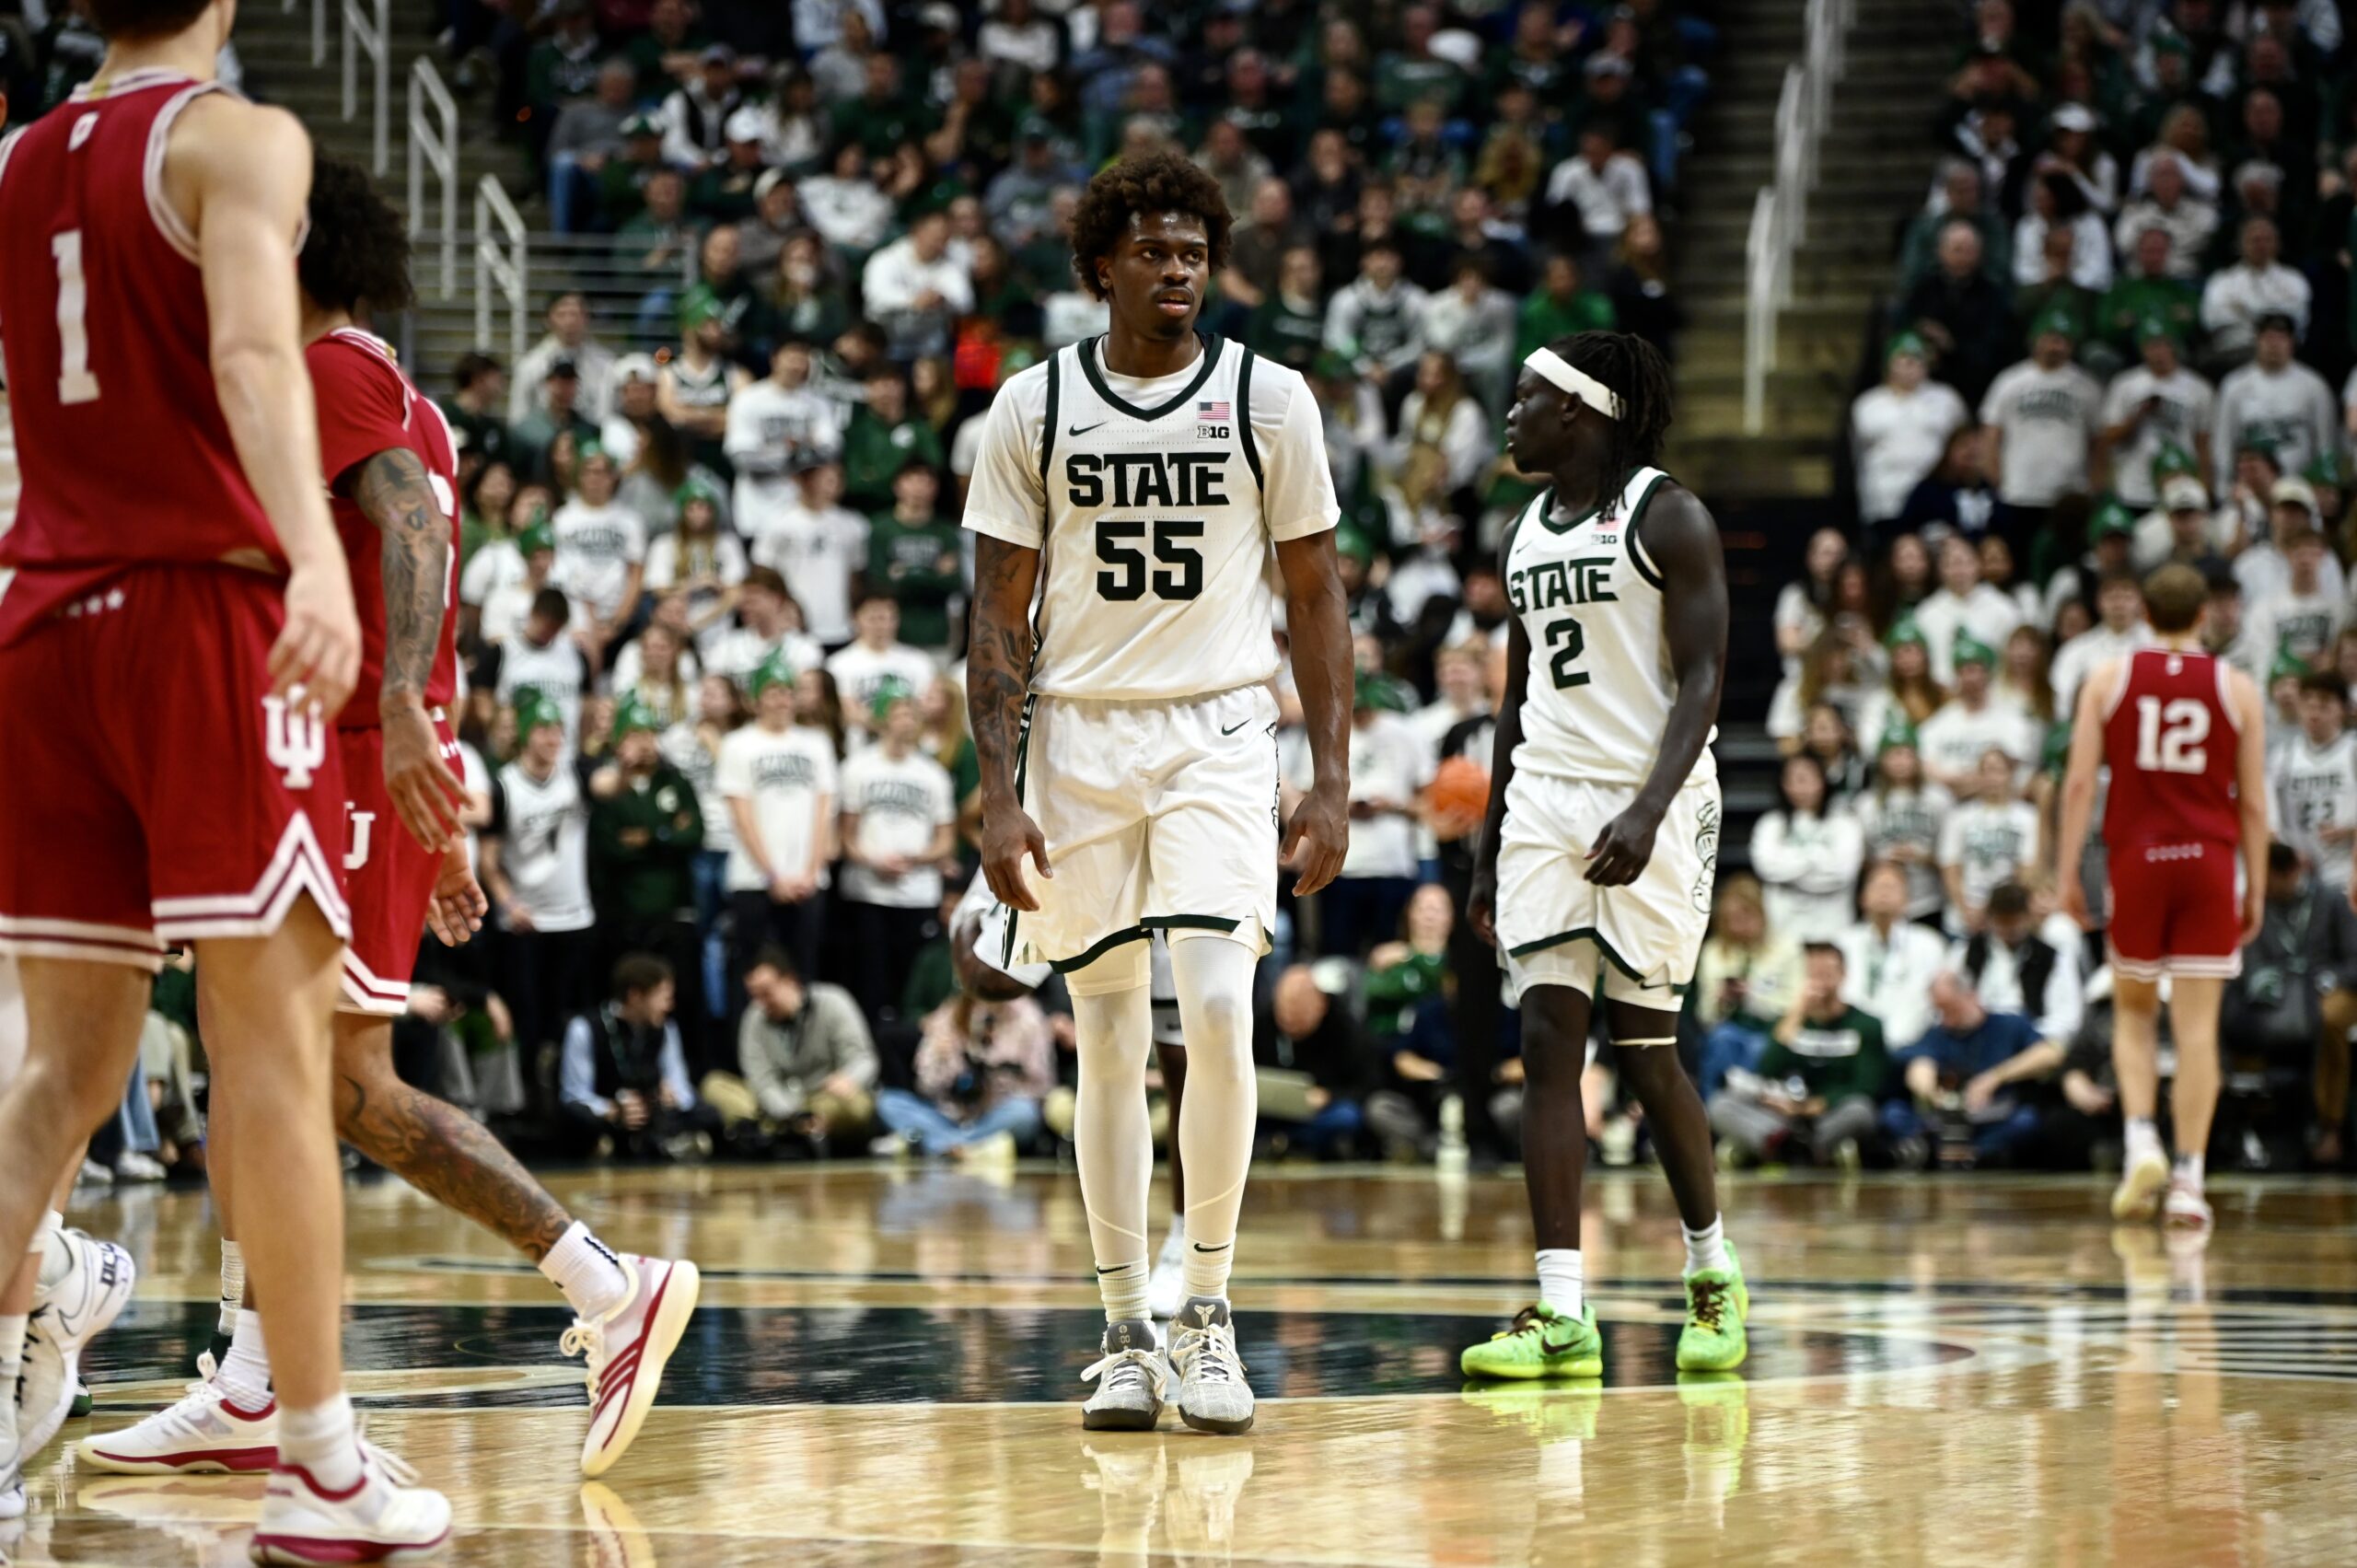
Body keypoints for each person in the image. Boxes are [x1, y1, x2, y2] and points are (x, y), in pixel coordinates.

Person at [91, 166, 698, 1484]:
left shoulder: (333, 372)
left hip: (363, 759)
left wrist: (407, 722)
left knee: (342, 1083)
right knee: (247, 1058)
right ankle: (252, 1378)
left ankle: (608, 1283)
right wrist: (441, 784)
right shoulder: (391, 386)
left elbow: (413, 530)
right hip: (357, 758)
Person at [0, 0, 458, 1548]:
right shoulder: (237, 137)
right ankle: (317, 1459)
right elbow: (260, 352)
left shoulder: (17, 163)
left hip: (42, 620)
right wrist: (315, 560)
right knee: (271, 1051)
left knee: (60, 1079)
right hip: (196, 618)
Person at [960, 152, 1352, 1435]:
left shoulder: (1269, 398)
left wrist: (1332, 779)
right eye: (1152, 252)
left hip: (1219, 729)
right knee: (1109, 1034)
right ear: (1101, 267)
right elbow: (995, 614)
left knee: (1221, 1008)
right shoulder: (1032, 407)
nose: (1177, 271)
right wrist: (997, 792)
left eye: (1193, 252)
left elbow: (1316, 596)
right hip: (1076, 736)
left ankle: (1210, 1312)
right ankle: (1126, 1327)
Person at [1463, 331, 1748, 1383]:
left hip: (1652, 795)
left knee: (1646, 1051)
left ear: (1578, 411)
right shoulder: (1522, 532)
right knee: (1547, 1042)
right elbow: (1516, 697)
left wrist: (1647, 807)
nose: (1511, 414)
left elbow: (1704, 676)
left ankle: (1711, 1269)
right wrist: (1488, 845)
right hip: (1546, 798)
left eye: (1525, 396)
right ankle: (1559, 1309)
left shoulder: (1668, 516)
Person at [2058, 563, 2270, 1229]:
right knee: (2198, 1030)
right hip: (2209, 861)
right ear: (2204, 614)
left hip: (2138, 859)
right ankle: (2188, 1180)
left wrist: (2066, 871)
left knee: (2134, 1012)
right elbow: (2254, 802)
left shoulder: (2108, 678)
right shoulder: (2238, 687)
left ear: (2144, 613)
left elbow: (2078, 785)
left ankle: (2141, 1139)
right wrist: (2256, 885)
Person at [836, 678, 958, 1021]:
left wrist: (915, 858)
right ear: (881, 719)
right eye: (899, 713)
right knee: (869, 983)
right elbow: (846, 835)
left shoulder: (932, 774)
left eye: (911, 713)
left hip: (916, 893)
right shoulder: (857, 767)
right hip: (868, 892)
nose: (907, 720)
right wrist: (873, 860)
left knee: (909, 984)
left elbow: (946, 839)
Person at [1710, 942, 1887, 1167]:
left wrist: (1811, 1107)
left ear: (1843, 975)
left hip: (1828, 1115)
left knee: (1861, 1110)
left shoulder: (1867, 1025)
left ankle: (1785, 1148)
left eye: (1826, 974)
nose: (1819, 982)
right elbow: (1767, 1069)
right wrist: (1797, 1014)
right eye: (1813, 974)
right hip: (1783, 1113)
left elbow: (1866, 1086)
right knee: (1720, 1104)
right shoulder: (1789, 1021)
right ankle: (1789, 1146)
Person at [717, 651, 837, 982]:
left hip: (807, 881)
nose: (781, 700)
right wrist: (773, 876)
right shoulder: (738, 744)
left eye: (787, 692)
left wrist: (811, 872)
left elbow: (823, 811)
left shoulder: (817, 744)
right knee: (752, 972)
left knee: (803, 973)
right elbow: (742, 818)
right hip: (753, 879)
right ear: (756, 699)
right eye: (772, 692)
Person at [1886, 970, 2064, 1167]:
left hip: (1994, 1117)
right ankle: (1934, 1153)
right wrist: (1931, 1092)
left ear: (1971, 996)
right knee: (1894, 1113)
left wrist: (1994, 1078)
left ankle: (1980, 1156)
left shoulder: (2009, 1025)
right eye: (1940, 1011)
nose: (1946, 1018)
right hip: (1948, 1119)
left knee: (2027, 1121)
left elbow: (2050, 1054)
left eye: (1951, 1009)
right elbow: (1919, 1065)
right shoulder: (1937, 1034)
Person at [558, 954, 719, 1159]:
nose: (669, 1006)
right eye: (663, 998)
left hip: (651, 1113)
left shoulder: (666, 1028)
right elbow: (574, 1093)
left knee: (709, 1114)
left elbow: (681, 1086)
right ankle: (612, 1143)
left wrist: (670, 1097)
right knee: (574, 1116)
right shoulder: (585, 1028)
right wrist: (613, 1110)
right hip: (610, 1112)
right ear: (635, 996)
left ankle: (662, 1143)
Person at [877, 989, 1057, 1161]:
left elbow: (1043, 1087)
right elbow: (925, 1085)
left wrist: (998, 1076)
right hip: (946, 1115)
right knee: (889, 1102)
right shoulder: (950, 1013)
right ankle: (965, 1149)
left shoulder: (1028, 1017)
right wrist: (943, 1062)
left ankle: (940, 1146)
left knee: (1025, 1113)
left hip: (995, 1116)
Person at [734, 947, 877, 1150]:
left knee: (859, 1106)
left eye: (766, 993)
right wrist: (789, 1113)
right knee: (715, 1086)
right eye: (754, 995)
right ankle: (788, 1129)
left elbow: (864, 1059)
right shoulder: (753, 1017)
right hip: (779, 1104)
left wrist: (849, 1078)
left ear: (790, 981)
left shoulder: (833, 1001)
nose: (761, 1003)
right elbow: (761, 1080)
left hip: (826, 1099)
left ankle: (781, 1130)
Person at [1748, 753, 1865, 942]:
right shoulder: (1770, 824)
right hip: (1782, 929)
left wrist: (1791, 865)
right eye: (1795, 780)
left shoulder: (1845, 823)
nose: (1802, 787)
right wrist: (1817, 858)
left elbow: (1842, 872)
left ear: (1823, 781)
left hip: (1834, 928)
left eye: (1808, 779)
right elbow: (1767, 868)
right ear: (1783, 784)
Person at [1837, 860, 1947, 1051]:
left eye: (1892, 887)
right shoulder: (1843, 942)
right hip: (1852, 1043)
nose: (1884, 893)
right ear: (1862, 898)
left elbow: (1933, 1003)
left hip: (1911, 1044)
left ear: (1907, 900)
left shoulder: (1929, 944)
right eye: (1878, 886)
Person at [2268, 672, 2357, 896]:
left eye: (2324, 707)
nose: (2314, 714)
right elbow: (2269, 817)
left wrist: (2350, 830)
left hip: (2347, 868)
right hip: (2301, 873)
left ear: (2343, 709)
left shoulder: (2352, 752)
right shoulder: (2283, 757)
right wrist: (2287, 850)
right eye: (2308, 705)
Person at [1938, 748, 2039, 935]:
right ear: (1978, 776)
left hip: (2008, 910)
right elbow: (1950, 867)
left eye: (1999, 771)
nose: (1992, 778)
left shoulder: (2028, 817)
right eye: (1986, 771)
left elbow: (2027, 870)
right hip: (1965, 913)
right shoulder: (1959, 817)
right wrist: (1965, 908)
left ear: (2010, 775)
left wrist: (1994, 909)